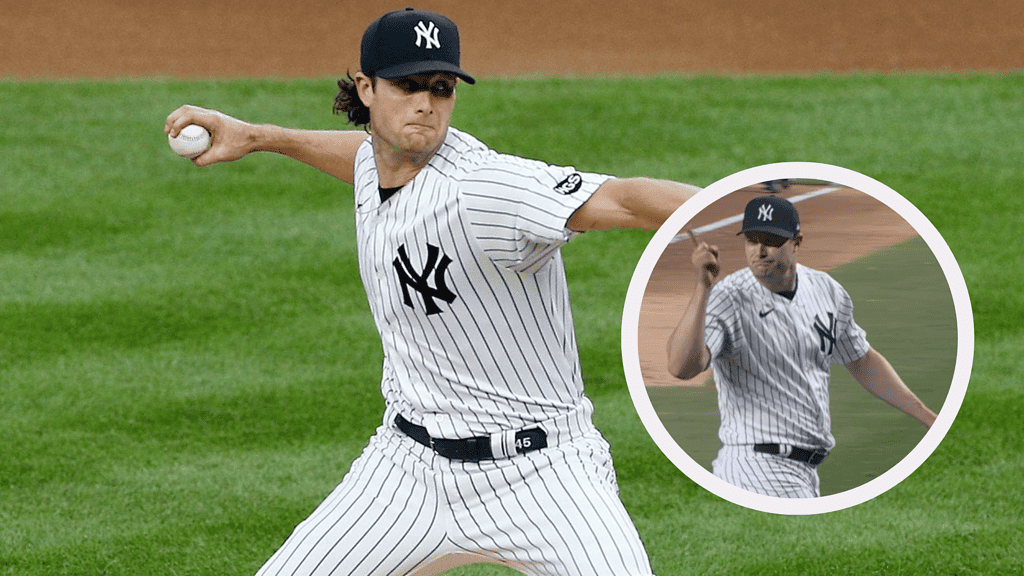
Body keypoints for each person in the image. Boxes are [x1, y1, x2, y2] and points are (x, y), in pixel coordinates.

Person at [165, 8, 700, 575]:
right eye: (407, 86)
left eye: (440, 88)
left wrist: (734, 212)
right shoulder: (379, 160)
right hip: (406, 470)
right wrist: (257, 137)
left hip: (545, 475)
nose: (425, 103)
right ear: (367, 90)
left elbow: (624, 199)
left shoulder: (487, 189)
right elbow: (366, 158)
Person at [666, 194, 937, 498]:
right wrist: (703, 288)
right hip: (756, 468)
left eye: (772, 240)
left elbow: (860, 359)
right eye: (752, 239)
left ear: (797, 242)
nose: (761, 250)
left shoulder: (827, 290)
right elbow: (681, 368)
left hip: (803, 471)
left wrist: (926, 417)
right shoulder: (729, 297)